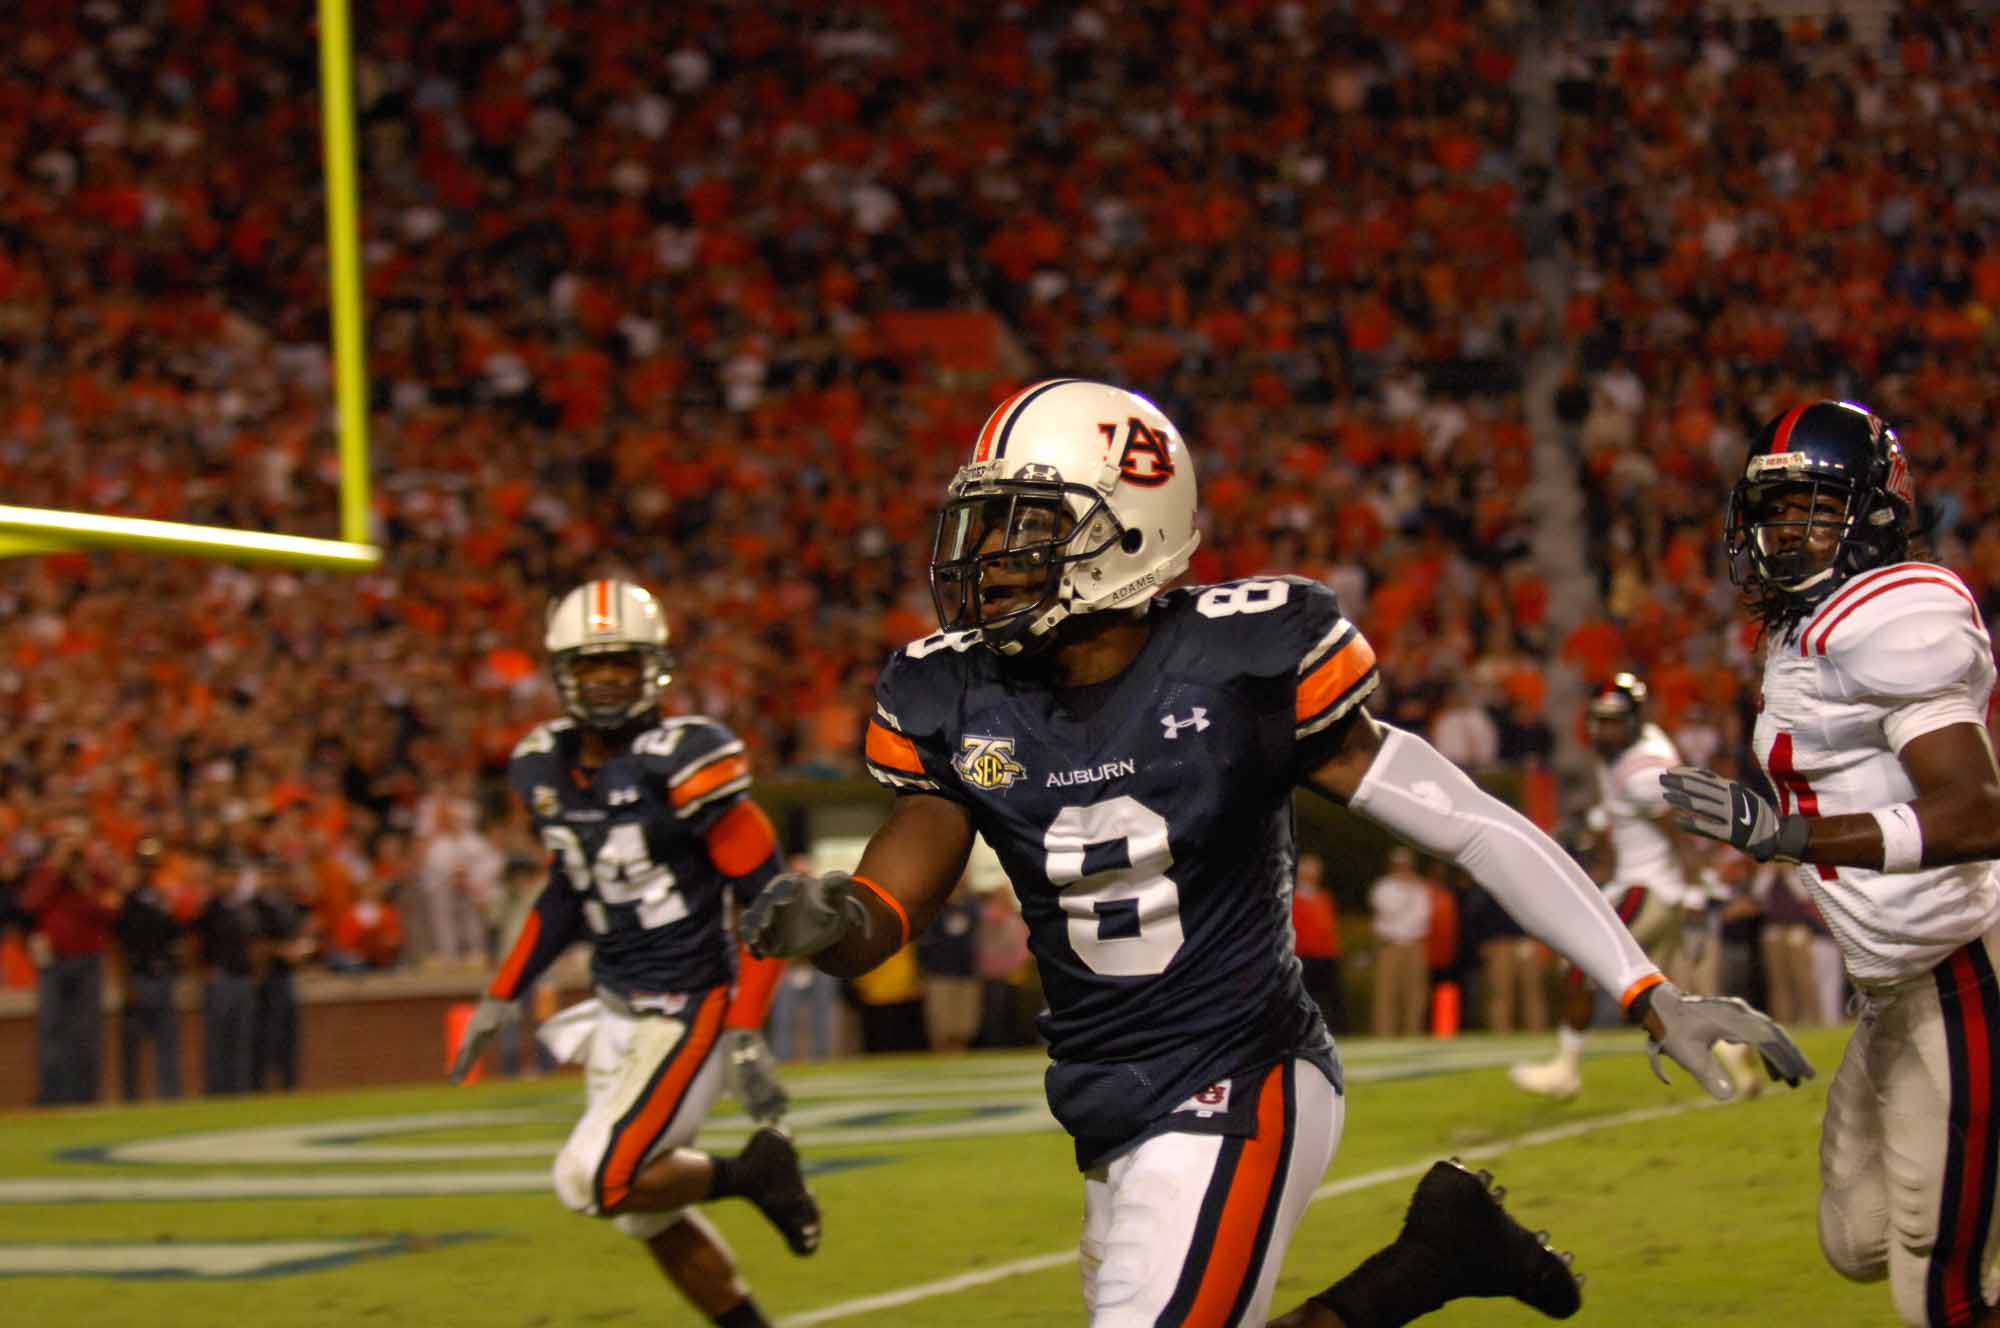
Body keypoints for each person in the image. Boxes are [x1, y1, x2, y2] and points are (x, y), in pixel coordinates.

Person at [743, 379, 1811, 1328]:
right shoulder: (957, 692)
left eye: (1025, 526)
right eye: (982, 527)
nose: (988, 559)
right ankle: (1431, 1258)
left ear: (1127, 530)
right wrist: (831, 917)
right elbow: (892, 894)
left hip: (1239, 1074)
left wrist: (1641, 983)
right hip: (1100, 1096)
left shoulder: (1238, 666)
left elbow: (1470, 819)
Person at [1661, 400, 2000, 1328]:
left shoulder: (1895, 614)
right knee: (1858, 1239)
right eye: (1774, 511)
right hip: (1893, 989)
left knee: (1940, 1284)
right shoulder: (1800, 627)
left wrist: (1791, 838)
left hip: (1964, 976)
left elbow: (1977, 812)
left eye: (1813, 507)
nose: (1784, 532)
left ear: (1874, 511)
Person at [447, 578, 820, 1328]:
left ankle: (753, 1173)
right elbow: (566, 890)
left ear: (653, 666)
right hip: (615, 1007)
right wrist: (503, 991)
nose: (609, 678)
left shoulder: (685, 758)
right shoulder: (543, 765)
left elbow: (772, 903)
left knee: (595, 1179)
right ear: (564, 674)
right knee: (643, 1213)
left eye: (623, 661)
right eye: (592, 664)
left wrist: (747, 1026)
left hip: (688, 1006)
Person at [1512, 675, 1721, 1099]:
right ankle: (1732, 1056)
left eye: (1614, 721)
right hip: (1643, 884)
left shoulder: (1641, 768)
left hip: (1649, 890)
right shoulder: (1628, 754)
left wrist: (1696, 893)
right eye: (1600, 720)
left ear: (1634, 721)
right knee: (1659, 995)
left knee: (1582, 961)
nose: (1604, 730)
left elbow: (1679, 835)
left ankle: (1566, 1070)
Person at [21, 817, 119, 1104]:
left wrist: (83, 881)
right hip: (54, 961)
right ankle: (52, 1096)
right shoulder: (44, 871)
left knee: (86, 1033)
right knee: (51, 1030)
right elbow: (29, 904)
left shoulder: (98, 874)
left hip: (88, 959)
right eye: (66, 839)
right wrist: (56, 870)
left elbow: (110, 912)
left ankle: (84, 1096)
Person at [112, 837, 184, 1100]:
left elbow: (176, 937)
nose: (149, 870)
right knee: (132, 1045)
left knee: (167, 1043)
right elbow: (118, 945)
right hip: (139, 977)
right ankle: (130, 1098)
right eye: (145, 865)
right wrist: (125, 983)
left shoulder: (163, 900)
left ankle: (170, 1097)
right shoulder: (129, 903)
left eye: (152, 865)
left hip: (162, 975)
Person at [1368, 848, 1432, 1038]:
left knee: (1415, 993)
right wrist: (1407, 897)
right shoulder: (1383, 887)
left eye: (1406, 865)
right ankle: (1384, 1034)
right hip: (1391, 945)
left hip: (1414, 944)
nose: (1403, 869)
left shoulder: (1420, 887)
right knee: (1387, 993)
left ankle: (1413, 1033)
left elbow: (1423, 915)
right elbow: (1388, 909)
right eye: (1399, 865)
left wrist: (1407, 900)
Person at [1291, 852, 1347, 1036]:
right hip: (1304, 954)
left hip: (1326, 954)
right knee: (1304, 997)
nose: (1313, 872)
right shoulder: (1293, 896)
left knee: (1333, 997)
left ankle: (1338, 1031)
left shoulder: (1323, 896)